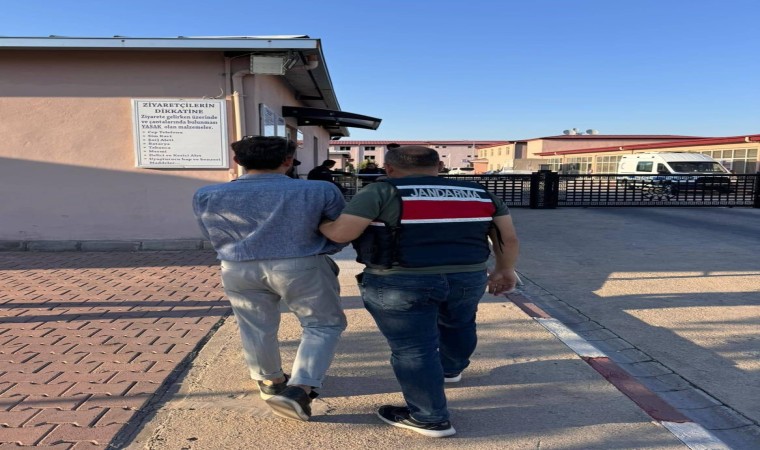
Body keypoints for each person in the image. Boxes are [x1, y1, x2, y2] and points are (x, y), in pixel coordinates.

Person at [319, 145, 519, 438]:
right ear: (439, 167)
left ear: (389, 169)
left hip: (399, 281)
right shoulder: (478, 192)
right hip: (468, 276)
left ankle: (430, 418)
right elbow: (508, 238)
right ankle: (450, 369)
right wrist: (505, 269)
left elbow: (341, 233)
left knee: (413, 348)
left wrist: (323, 223)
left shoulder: (382, 191)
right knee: (460, 323)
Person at [193, 136, 347, 422]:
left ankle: (270, 381)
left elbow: (209, 233)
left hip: (237, 265)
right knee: (322, 324)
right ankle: (301, 388)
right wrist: (326, 249)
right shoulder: (319, 190)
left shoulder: (206, 194)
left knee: (255, 326)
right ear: (288, 160)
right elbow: (341, 229)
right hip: (301, 263)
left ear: (237, 161)